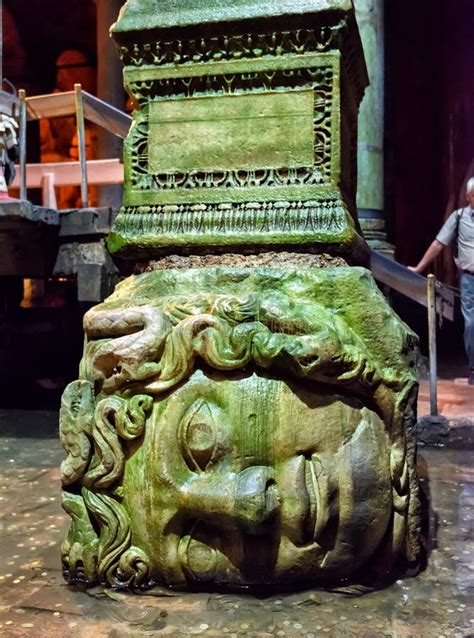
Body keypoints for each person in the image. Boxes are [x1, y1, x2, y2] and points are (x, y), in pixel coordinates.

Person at [408, 178, 474, 384]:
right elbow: (439, 243)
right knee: (471, 324)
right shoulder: (459, 216)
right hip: (469, 280)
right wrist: (419, 267)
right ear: (468, 196)